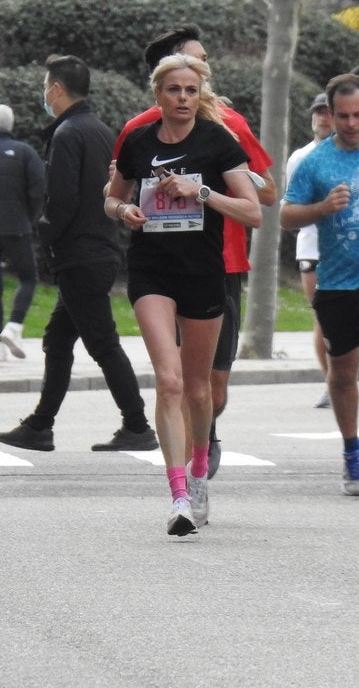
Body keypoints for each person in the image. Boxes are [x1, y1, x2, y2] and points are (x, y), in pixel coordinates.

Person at [106, 54, 261, 536]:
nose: (183, 99)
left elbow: (253, 212)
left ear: (201, 95)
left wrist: (201, 194)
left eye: (191, 91)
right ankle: (177, 496)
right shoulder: (137, 141)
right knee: (168, 382)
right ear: (158, 94)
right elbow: (111, 196)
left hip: (202, 271)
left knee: (198, 389)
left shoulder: (218, 142)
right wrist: (123, 212)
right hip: (151, 269)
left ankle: (198, 474)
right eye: (174, 90)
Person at [0, 56, 157, 454]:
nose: (44, 95)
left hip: (79, 254)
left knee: (102, 343)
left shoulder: (69, 132)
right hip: (98, 248)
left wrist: (47, 238)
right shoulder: (101, 131)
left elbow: (62, 198)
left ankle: (138, 426)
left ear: (56, 89)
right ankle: (40, 425)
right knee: (57, 338)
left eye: (45, 87)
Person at [281, 74, 359, 496]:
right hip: (335, 279)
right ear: (330, 115)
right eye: (343, 116)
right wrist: (321, 207)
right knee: (342, 369)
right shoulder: (315, 161)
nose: (351, 124)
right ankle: (351, 451)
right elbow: (286, 215)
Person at [287, 92, 334, 409]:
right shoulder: (300, 158)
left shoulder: (353, 153)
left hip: (348, 247)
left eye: (327, 112)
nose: (322, 118)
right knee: (323, 314)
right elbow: (291, 207)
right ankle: (332, 382)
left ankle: (344, 374)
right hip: (312, 245)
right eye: (317, 112)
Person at [0, 103, 45, 361]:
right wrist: (29, 217)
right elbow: (38, 189)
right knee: (28, 278)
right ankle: (13, 326)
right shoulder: (24, 152)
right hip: (16, 226)